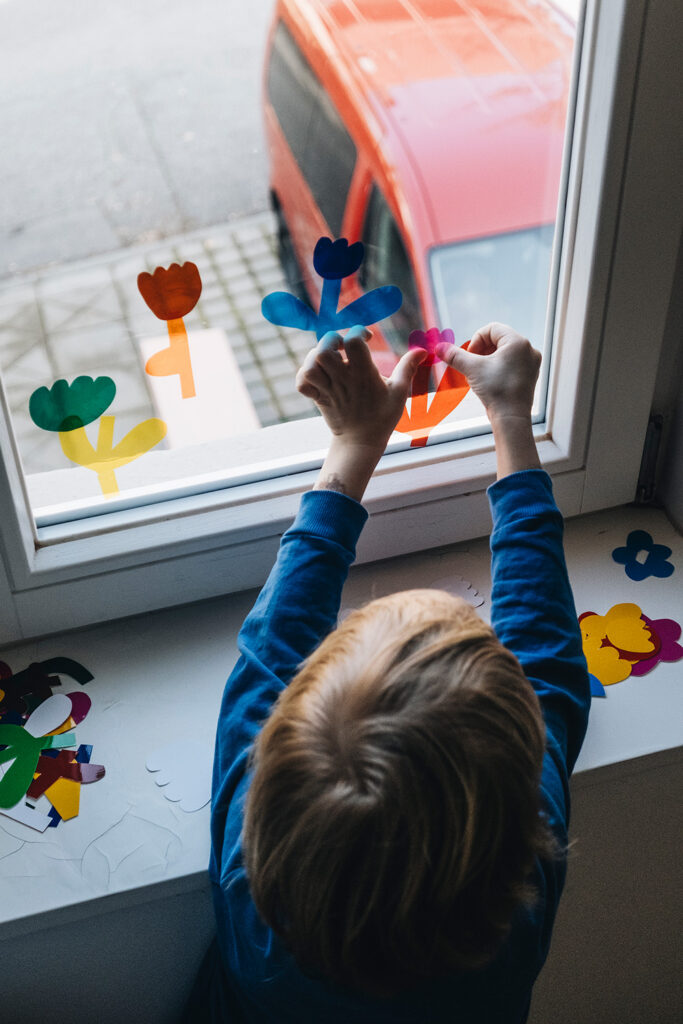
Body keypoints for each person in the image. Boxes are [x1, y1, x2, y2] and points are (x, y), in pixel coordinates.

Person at [188, 322, 590, 1023]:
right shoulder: (515, 915)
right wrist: (511, 424)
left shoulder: (248, 898)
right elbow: (549, 663)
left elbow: (273, 645)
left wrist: (352, 445)